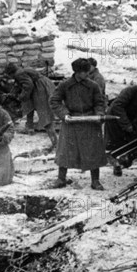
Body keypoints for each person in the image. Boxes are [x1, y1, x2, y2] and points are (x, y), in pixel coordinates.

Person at [50, 58, 105, 190]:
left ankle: (95, 181)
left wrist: (99, 114)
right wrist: (64, 115)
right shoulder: (65, 85)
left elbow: (100, 102)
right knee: (65, 151)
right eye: (84, 72)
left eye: (88, 71)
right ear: (77, 72)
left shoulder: (93, 86)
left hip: (89, 121)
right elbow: (55, 101)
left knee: (93, 151)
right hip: (71, 121)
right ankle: (61, 179)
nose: (87, 74)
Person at [3, 63, 58, 148]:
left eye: (8, 75)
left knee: (45, 114)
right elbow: (19, 85)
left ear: (11, 73)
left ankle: (55, 143)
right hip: (39, 86)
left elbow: (28, 85)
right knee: (28, 104)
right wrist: (12, 94)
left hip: (41, 89)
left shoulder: (19, 74)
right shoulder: (20, 71)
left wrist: (21, 96)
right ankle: (29, 127)